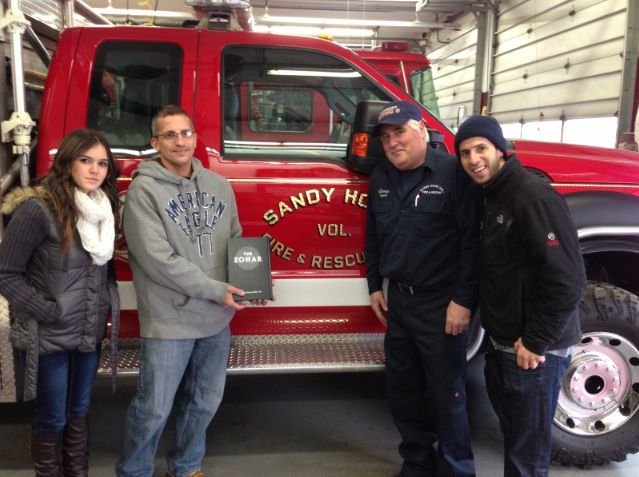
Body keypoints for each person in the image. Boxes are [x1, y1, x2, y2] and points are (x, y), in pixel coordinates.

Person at [115, 105, 270, 477]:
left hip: (216, 316)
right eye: (169, 135)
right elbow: (157, 259)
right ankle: (134, 471)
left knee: (203, 401)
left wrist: (250, 285)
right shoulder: (143, 192)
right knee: (154, 406)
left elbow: (234, 240)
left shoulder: (219, 185)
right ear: (155, 143)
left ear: (196, 138)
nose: (179, 141)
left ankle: (185, 466)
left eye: (185, 133)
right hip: (170, 317)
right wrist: (217, 289)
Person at [455, 115, 585, 477]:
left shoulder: (531, 197)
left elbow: (569, 280)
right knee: (515, 438)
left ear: (500, 149)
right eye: (464, 153)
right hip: (507, 342)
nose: (473, 159)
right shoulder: (492, 196)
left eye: (481, 148)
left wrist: (535, 340)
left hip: (533, 348)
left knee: (527, 453)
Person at [365, 100, 479, 477]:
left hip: (441, 304)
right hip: (398, 301)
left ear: (421, 130)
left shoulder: (453, 172)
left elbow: (471, 242)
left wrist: (463, 301)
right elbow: (373, 236)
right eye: (385, 136)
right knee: (404, 393)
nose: (392, 142)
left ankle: (456, 470)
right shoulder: (380, 176)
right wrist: (374, 285)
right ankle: (416, 464)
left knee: (447, 396)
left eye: (399, 132)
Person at [0, 129, 121, 477]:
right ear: (66, 162)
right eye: (86, 160)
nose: (95, 170)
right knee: (52, 415)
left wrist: (102, 305)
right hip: (48, 335)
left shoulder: (104, 211)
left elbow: (101, 271)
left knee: (80, 408)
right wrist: (47, 311)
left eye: (102, 163)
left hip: (87, 331)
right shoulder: (38, 209)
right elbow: (6, 273)